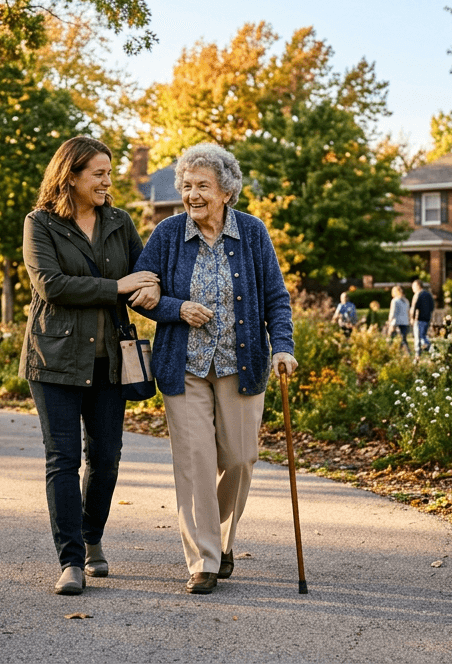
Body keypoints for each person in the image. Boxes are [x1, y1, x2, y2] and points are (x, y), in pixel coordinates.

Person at [133, 143, 297, 595]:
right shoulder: (167, 234)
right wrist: (176, 307)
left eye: (202, 185)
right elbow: (139, 291)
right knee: (195, 463)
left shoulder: (252, 232)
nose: (192, 195)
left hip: (240, 364)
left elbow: (276, 298)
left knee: (240, 460)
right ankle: (203, 558)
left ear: (226, 190)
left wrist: (282, 345)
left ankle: (221, 538)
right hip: (182, 366)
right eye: (186, 186)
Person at [21, 135, 159, 596]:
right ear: (71, 176)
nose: (107, 181)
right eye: (98, 173)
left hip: (110, 361)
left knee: (105, 457)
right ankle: (71, 561)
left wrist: (155, 293)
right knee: (62, 460)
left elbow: (144, 275)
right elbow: (51, 285)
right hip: (55, 359)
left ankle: (91, 535)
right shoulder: (39, 223)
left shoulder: (119, 223)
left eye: (108, 172)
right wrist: (118, 287)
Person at [410, 279, 435, 356]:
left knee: (419, 337)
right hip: (427, 318)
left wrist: (412, 318)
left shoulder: (418, 295)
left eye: (413, 287)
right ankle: (428, 350)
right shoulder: (428, 294)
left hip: (419, 319)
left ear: (418, 286)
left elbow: (414, 307)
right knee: (423, 335)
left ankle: (423, 352)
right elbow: (432, 306)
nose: (412, 289)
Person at [387, 285, 411, 354]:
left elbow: (393, 312)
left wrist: (389, 321)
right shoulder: (406, 301)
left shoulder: (395, 301)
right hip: (405, 322)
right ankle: (406, 352)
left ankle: (388, 351)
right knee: (403, 339)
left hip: (396, 322)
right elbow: (408, 311)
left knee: (391, 338)